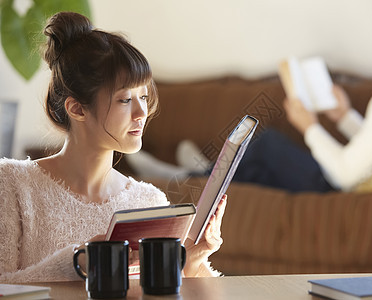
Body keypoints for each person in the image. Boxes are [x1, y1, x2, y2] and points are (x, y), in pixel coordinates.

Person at [0, 12, 226, 283]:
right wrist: (77, 262)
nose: (142, 111)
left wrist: (192, 262)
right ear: (77, 108)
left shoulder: (148, 202)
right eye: (125, 100)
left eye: (143, 96)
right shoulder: (12, 184)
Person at [235, 0, 372, 193]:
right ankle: (209, 187)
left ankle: (204, 186)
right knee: (256, 173)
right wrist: (344, 116)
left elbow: (344, 175)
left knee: (267, 144)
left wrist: (309, 127)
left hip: (353, 192)